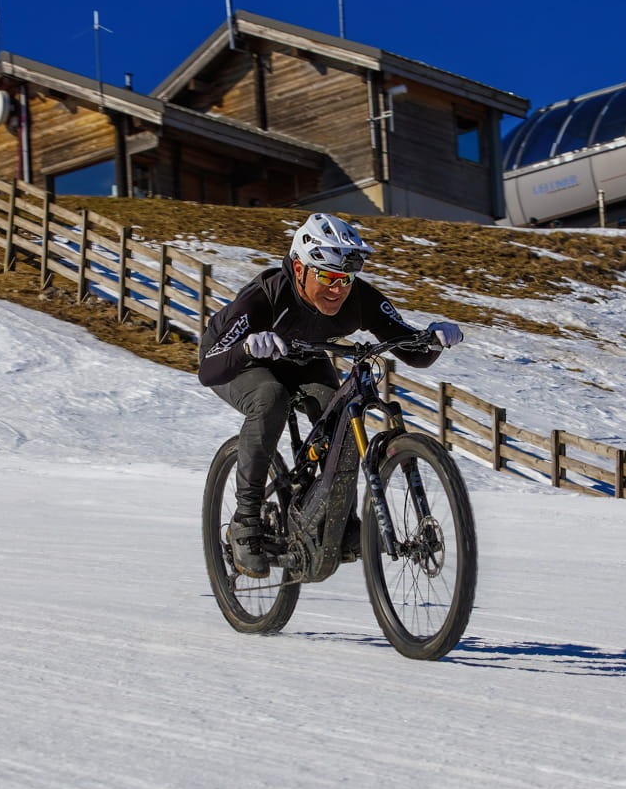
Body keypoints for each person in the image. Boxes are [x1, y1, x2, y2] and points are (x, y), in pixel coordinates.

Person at [198, 213, 463, 576]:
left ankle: (340, 518)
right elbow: (209, 369)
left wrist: (433, 339)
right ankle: (246, 523)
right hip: (237, 359)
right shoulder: (265, 297)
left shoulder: (359, 298)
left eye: (345, 279)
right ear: (299, 268)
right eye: (327, 277)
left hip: (303, 358)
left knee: (342, 411)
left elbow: (412, 350)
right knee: (271, 398)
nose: (338, 290)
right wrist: (246, 347)